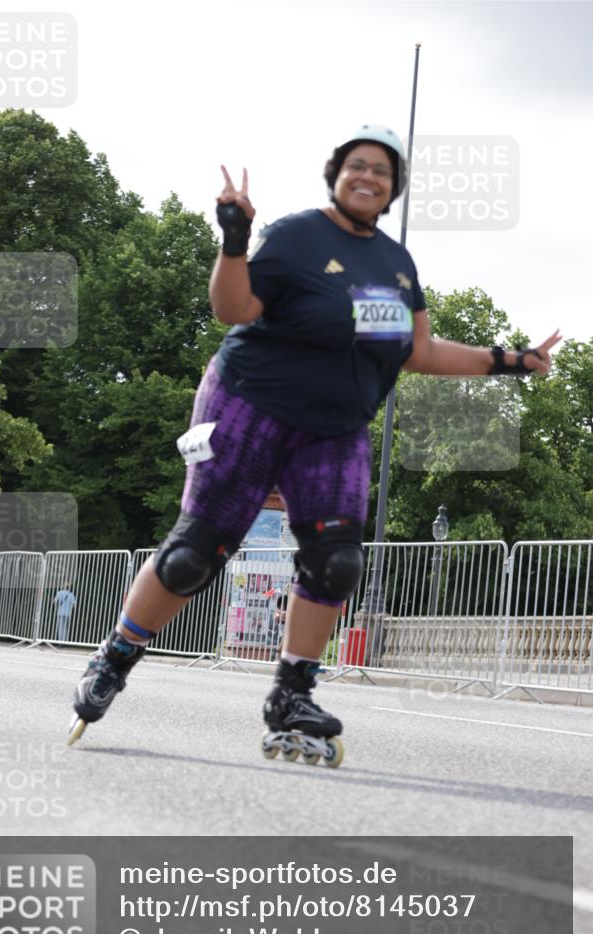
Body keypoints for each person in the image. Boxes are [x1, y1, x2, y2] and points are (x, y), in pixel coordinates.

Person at [68, 124, 560, 761]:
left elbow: (420, 351)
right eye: (358, 165)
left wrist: (512, 361)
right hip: (249, 402)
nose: (368, 176)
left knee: (337, 561)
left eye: (382, 171)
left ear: (393, 189)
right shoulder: (298, 236)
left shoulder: (396, 265)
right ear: (337, 175)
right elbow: (234, 309)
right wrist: (234, 239)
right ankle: (116, 656)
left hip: (334, 426)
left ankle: (292, 693)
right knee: (196, 553)